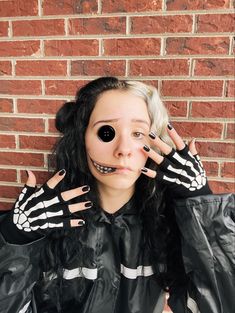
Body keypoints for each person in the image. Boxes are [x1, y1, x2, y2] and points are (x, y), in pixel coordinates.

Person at [0, 77, 234, 313]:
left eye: (138, 133)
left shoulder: (168, 226)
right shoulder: (45, 221)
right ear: (82, 139)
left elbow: (220, 305)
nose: (123, 150)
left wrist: (202, 210)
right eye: (106, 132)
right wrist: (15, 240)